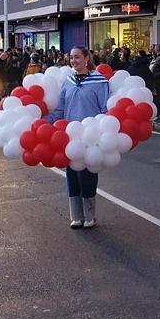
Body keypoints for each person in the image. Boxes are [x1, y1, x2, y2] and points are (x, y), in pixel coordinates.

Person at [44, 47, 110, 228]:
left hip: (90, 137)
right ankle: (76, 216)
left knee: (87, 176)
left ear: (87, 59)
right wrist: (44, 122)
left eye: (78, 57)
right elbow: (60, 109)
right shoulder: (68, 82)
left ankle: (90, 216)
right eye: (71, 58)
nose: (74, 61)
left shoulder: (100, 82)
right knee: (72, 175)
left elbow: (105, 109)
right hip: (69, 136)